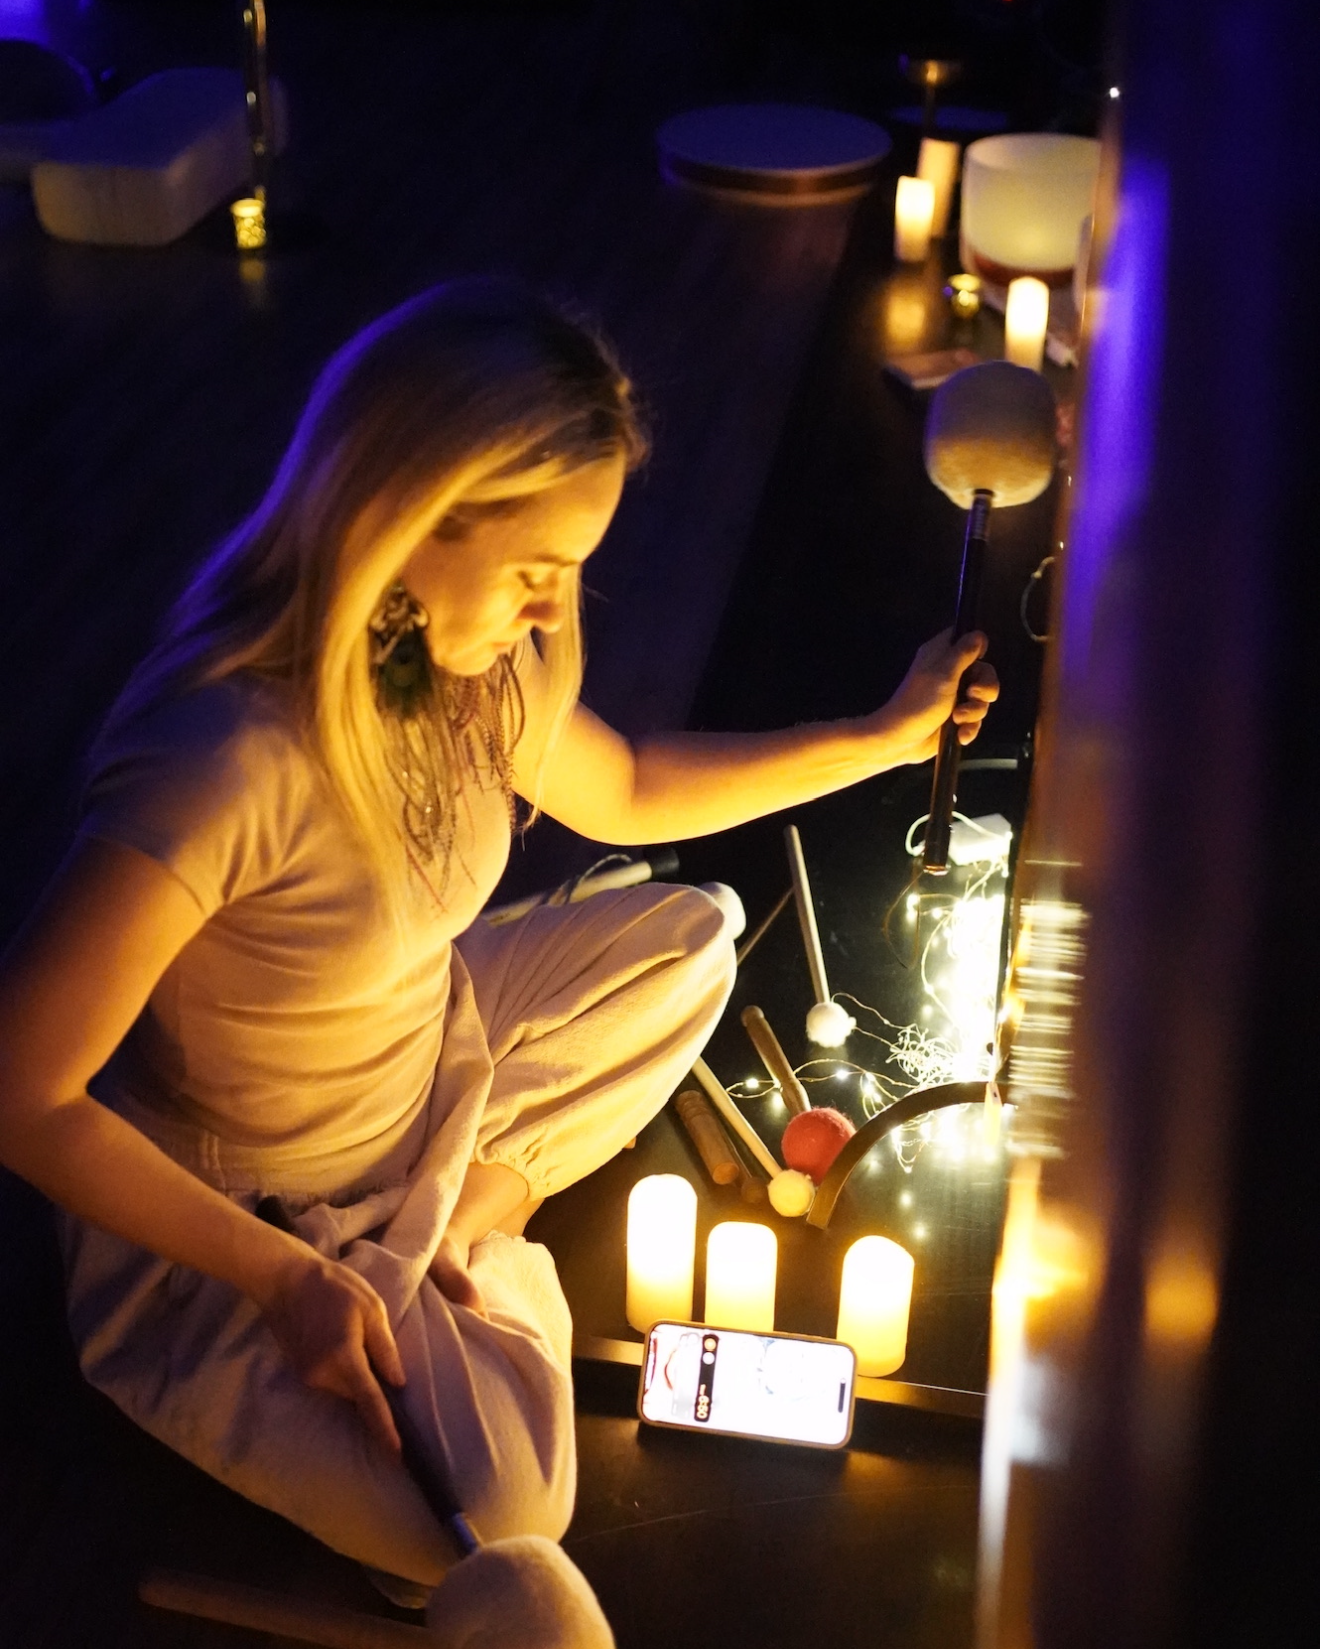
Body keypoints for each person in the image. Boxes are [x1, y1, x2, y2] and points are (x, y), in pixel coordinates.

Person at [0, 279, 997, 1595]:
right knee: (511, 1516)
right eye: (536, 571)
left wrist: (884, 738)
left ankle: (467, 1214)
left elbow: (630, 787)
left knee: (692, 937)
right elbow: (26, 1097)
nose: (550, 610)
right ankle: (404, 1267)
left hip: (424, 1057)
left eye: (571, 572)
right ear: (409, 517)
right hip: (247, 1215)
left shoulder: (473, 666)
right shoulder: (223, 761)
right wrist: (278, 1280)